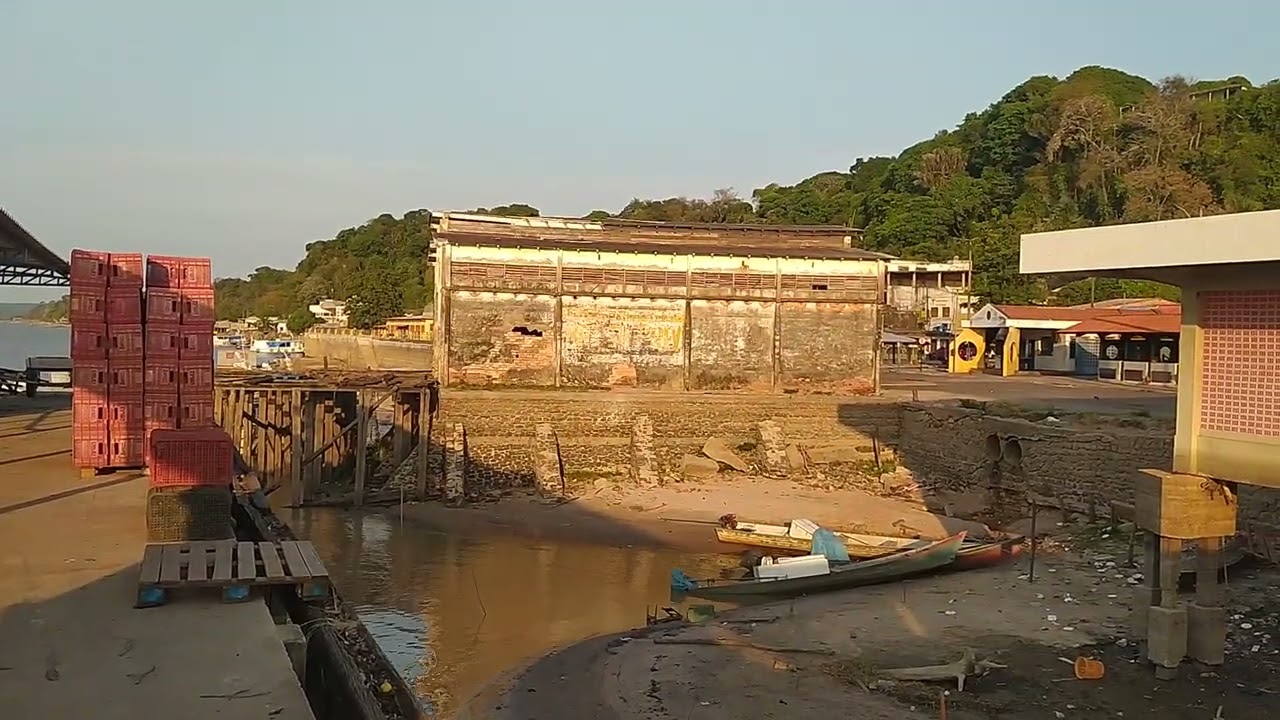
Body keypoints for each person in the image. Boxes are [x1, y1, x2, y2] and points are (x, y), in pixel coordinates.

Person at [232, 445, 271, 511]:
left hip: (232, 477)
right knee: (256, 494)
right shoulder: (229, 445)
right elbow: (240, 462)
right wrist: (249, 471)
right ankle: (264, 510)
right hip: (239, 475)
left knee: (242, 497)